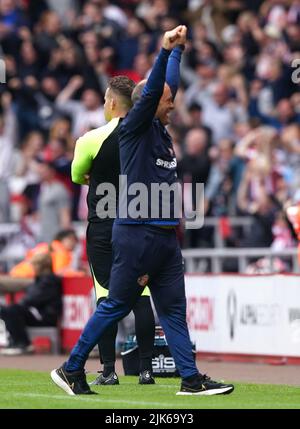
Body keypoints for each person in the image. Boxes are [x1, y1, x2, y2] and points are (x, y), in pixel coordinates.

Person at [51, 25, 234, 396]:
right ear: (149, 104)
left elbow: (168, 88)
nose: (172, 103)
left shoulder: (161, 131)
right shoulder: (136, 127)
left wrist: (179, 51)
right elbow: (153, 90)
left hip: (165, 235)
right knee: (116, 304)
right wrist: (164, 50)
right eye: (166, 101)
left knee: (173, 311)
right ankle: (72, 368)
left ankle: (190, 379)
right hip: (137, 232)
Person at [70, 75, 156, 385]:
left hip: (104, 227)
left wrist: (93, 177)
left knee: (106, 296)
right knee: (142, 294)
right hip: (139, 223)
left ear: (111, 103)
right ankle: (146, 370)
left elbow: (77, 175)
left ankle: (108, 371)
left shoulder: (91, 139)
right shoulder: (145, 136)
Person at [0, 252, 62, 355]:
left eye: (34, 265)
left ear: (40, 266)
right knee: (9, 309)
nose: (32, 268)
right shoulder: (41, 280)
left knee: (13, 310)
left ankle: (23, 344)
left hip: (45, 317)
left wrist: (20, 303)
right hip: (38, 313)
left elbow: (32, 299)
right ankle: (14, 342)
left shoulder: (49, 281)